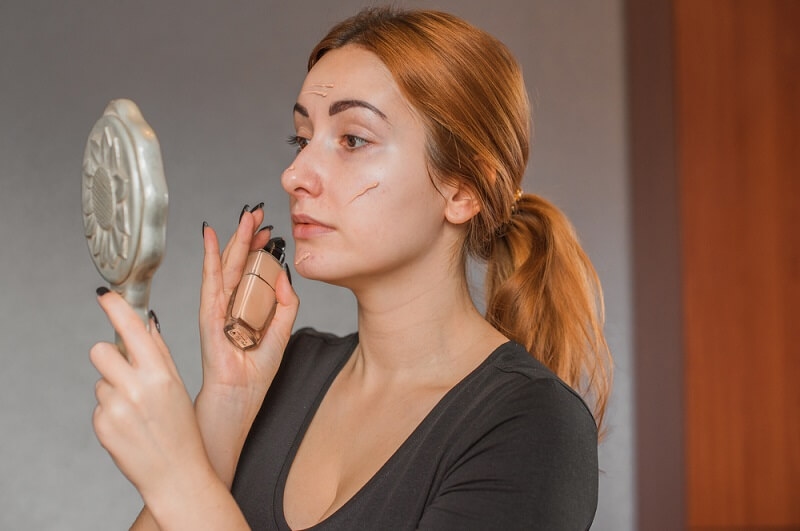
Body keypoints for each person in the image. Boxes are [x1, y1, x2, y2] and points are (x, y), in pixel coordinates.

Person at [90, 7, 612, 530]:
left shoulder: (532, 425)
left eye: (353, 140)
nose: (294, 174)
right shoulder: (286, 373)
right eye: (302, 139)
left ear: (463, 190)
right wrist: (226, 403)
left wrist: (179, 480)